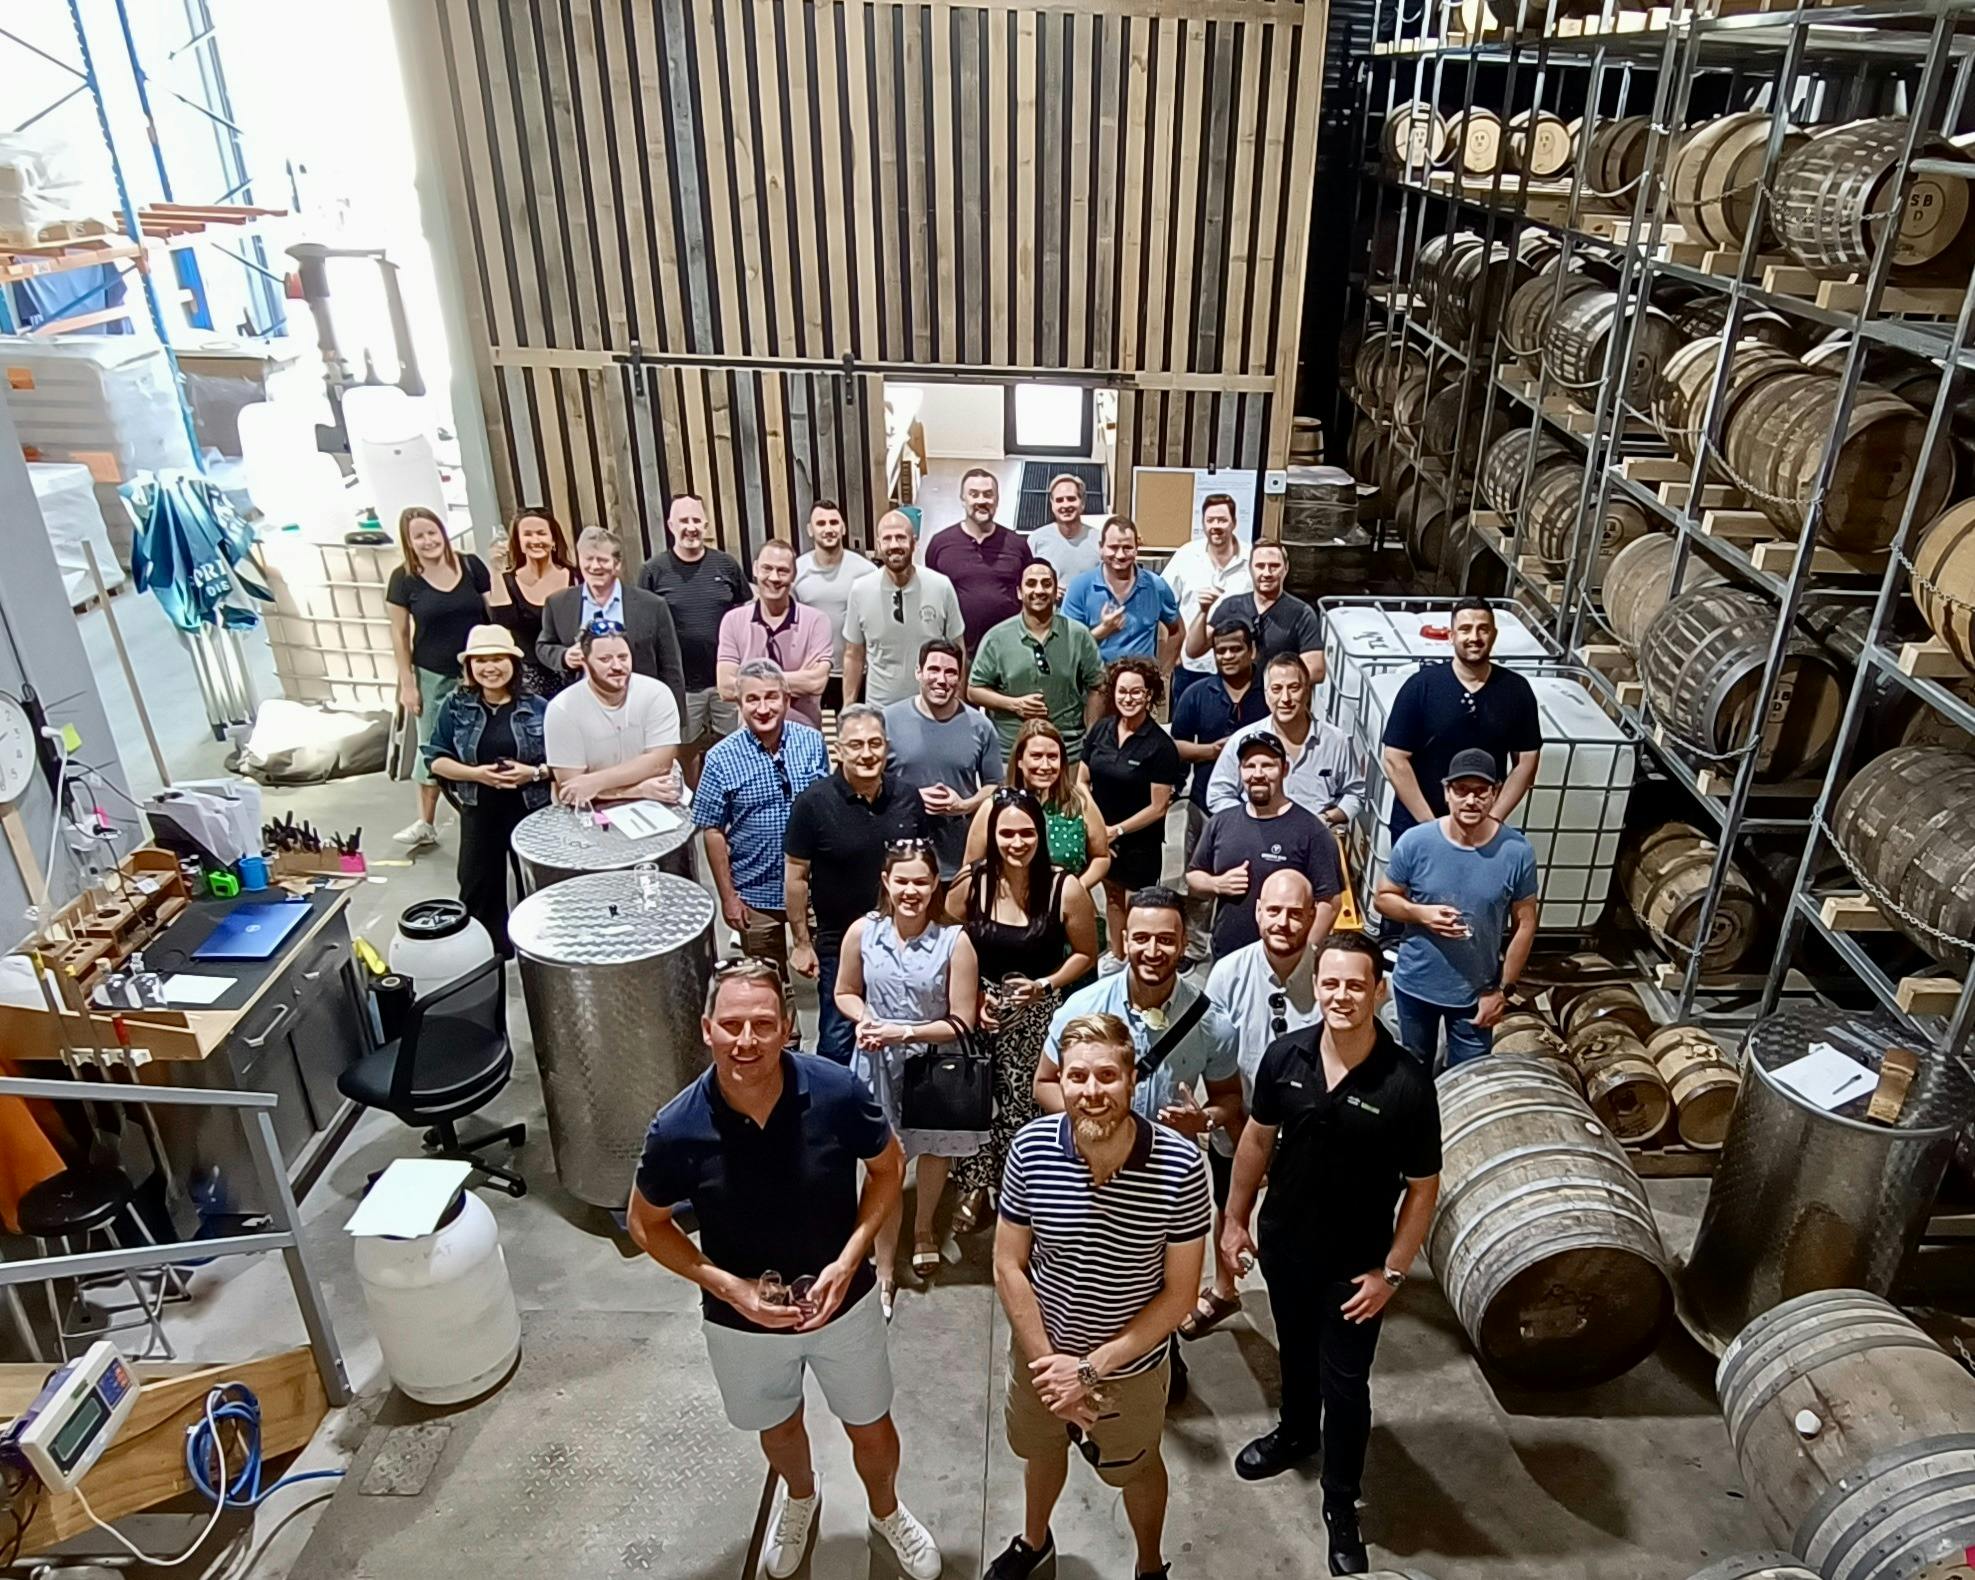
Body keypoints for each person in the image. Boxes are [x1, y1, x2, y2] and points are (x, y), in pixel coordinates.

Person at [628, 962, 942, 1580]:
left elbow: (887, 1170)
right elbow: (647, 1223)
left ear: (787, 1029)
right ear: (707, 1030)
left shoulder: (837, 1093)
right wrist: (728, 1287)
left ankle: (886, 1510)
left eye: (763, 1025)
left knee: (871, 1423)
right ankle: (801, 1497)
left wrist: (849, 1260)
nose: (747, 1041)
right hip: (740, 1323)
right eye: (733, 1025)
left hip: (842, 1304)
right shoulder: (677, 1127)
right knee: (777, 1424)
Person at [1220, 935, 1442, 1577]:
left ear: (1378, 991)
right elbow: (1257, 1142)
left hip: (1356, 1268)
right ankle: (1294, 1433)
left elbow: (1423, 1189)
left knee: (1345, 1388)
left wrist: (1392, 1274)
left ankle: (1341, 1504)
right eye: (1330, 983)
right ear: (1315, 986)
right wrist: (1234, 1222)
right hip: (1286, 1248)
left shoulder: (1405, 1082)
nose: (1341, 996)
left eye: (1355, 985)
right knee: (1294, 1352)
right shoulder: (1286, 1056)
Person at [987, 1012, 1210, 1580]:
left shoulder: (1182, 1166)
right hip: (1043, 1356)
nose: (1092, 1092)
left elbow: (1181, 1295)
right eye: (1077, 1077)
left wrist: (1086, 1371)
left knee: (1134, 1469)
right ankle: (1034, 1542)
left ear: (1132, 1079)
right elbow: (1010, 1265)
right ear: (1059, 1080)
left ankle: (1148, 1564)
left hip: (1127, 1367)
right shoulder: (1031, 1149)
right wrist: (1051, 1368)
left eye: (1106, 1076)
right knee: (1042, 1449)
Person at [1033, 890, 1241, 1398]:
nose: (1153, 950)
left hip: (1164, 1182)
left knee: (1163, 1278)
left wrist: (1205, 1120)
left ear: (1184, 945)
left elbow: (1231, 1101)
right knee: (1084, 1273)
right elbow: (1043, 1083)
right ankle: (1074, 1363)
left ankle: (1155, 1358)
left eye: (1166, 940)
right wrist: (1093, 1118)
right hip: (1089, 1168)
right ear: (1123, 941)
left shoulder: (1211, 1023)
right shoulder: (1082, 1008)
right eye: (1142, 938)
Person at [835, 843, 983, 1314]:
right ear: (886, 882)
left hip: (933, 1064)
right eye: (902, 881)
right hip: (876, 1064)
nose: (911, 891)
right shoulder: (863, 931)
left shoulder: (954, 941)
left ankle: (923, 1227)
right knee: (887, 1165)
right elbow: (844, 992)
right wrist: (865, 1019)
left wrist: (904, 1031)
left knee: (933, 1149)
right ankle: (881, 1270)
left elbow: (962, 1020)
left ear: (934, 883)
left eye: (921, 881)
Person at [945, 788, 1098, 1235]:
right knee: (975, 1099)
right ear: (991, 835)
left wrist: (1044, 986)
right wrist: (971, 999)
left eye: (1026, 833)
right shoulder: (971, 884)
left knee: (1024, 1104)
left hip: (1037, 1012)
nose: (1016, 842)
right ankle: (975, 1185)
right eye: (1006, 832)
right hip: (981, 1007)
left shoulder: (1063, 888)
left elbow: (1086, 953)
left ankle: (1023, 1188)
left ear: (1040, 835)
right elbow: (949, 942)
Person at [1188, 869, 1327, 1342]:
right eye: (1274, 911)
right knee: (1227, 1205)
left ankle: (1301, 1293)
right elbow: (1210, 1053)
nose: (1283, 923)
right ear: (1257, 912)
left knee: (1303, 1218)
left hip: (1308, 1131)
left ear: (1312, 916)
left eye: (1295, 914)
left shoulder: (1330, 976)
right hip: (1241, 1117)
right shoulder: (1228, 973)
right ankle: (1225, 1287)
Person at [784, 706, 938, 1065]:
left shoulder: (908, 798)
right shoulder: (812, 804)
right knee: (838, 1041)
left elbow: (925, 868)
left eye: (874, 743)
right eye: (855, 745)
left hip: (906, 941)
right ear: (838, 749)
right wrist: (802, 943)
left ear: (887, 747)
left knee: (906, 1033)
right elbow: (796, 877)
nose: (866, 754)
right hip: (840, 945)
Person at [1373, 748, 1539, 1067]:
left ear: (1496, 793)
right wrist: (1422, 914)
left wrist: (1502, 990)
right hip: (1415, 987)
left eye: (1480, 791)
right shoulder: (1416, 842)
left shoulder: (1516, 852)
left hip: (1477, 995)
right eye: (1461, 790)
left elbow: (1526, 924)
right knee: (1410, 1073)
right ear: (1447, 792)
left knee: (1470, 1076)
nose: (1470, 800)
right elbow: (1383, 898)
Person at [695, 660, 832, 973]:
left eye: (771, 697)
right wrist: (728, 897)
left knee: (830, 975)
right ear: (739, 705)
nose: (763, 708)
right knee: (766, 981)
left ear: (786, 699)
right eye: (752, 699)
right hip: (754, 892)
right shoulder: (720, 758)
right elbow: (712, 831)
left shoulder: (811, 742)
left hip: (813, 890)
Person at [423, 625, 551, 956]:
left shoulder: (539, 707)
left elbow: (563, 764)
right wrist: (477, 774)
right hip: (479, 809)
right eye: (480, 661)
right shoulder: (455, 706)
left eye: (497, 659)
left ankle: (540, 952)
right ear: (469, 667)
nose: (489, 668)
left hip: (530, 811)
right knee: (478, 888)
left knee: (538, 888)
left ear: (513, 663)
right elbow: (435, 758)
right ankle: (488, 956)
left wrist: (533, 773)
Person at [1380, 596, 1544, 840]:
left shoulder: (1516, 690)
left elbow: (1526, 762)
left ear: (1494, 634)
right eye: (1465, 629)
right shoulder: (1421, 687)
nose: (1474, 637)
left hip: (1482, 829)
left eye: (1483, 629)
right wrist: (1431, 827)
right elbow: (1395, 759)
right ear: (1451, 635)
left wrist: (1491, 822)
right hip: (1418, 827)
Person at [387, 505, 492, 850]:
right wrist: (408, 683)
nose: (428, 540)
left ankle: (485, 810)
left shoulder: (470, 566)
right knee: (431, 743)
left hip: (479, 669)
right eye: (419, 536)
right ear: (409, 542)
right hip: (433, 671)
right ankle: (426, 821)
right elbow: (400, 634)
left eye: (432, 532)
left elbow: (494, 612)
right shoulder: (403, 580)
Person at [1188, 732, 1342, 955]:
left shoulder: (1311, 830)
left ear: (1285, 769)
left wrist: (1305, 954)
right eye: (1249, 766)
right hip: (1226, 953)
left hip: (1285, 958)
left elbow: (1330, 902)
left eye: (1268, 766)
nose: (1257, 774)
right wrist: (1217, 884)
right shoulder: (1221, 822)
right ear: (1240, 771)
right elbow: (1193, 876)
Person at [1078, 661, 1186, 974]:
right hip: (1101, 832)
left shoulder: (1160, 746)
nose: (1128, 698)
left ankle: (1140, 958)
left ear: (1149, 695)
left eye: (1136, 692)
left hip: (1141, 841)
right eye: (1122, 691)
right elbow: (1082, 781)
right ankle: (1117, 953)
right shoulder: (1101, 729)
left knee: (1139, 903)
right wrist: (1098, 827)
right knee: (1111, 895)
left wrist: (1119, 831)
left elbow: (1159, 806)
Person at [639, 493, 752, 785]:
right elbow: (645, 625)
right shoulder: (653, 571)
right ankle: (690, 805)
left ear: (705, 524)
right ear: (670, 525)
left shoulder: (726, 565)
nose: (690, 527)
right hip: (681, 686)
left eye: (696, 520)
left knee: (736, 748)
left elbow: (745, 613)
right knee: (685, 751)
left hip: (725, 682)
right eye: (683, 521)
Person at [1170, 620, 1266, 962]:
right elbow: (1176, 745)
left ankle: (1248, 946)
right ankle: (1194, 946)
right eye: (1220, 650)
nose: (1226, 656)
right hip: (1204, 806)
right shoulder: (1198, 693)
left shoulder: (1269, 691)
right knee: (1199, 880)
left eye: (1235, 649)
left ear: (1252, 650)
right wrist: (1212, 751)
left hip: (1261, 812)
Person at [883, 639, 1004, 887]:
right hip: (900, 862)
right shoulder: (888, 720)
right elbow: (871, 783)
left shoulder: (980, 726)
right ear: (918, 672)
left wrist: (964, 805)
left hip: (957, 863)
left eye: (951, 672)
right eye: (934, 670)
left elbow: (995, 786)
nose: (941, 679)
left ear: (960, 678)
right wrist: (911, 798)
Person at [1205, 651, 1367, 827]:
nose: (1285, 698)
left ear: (1307, 691)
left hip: (1314, 836)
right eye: (1277, 689)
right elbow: (1218, 795)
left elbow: (1355, 793)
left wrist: (1327, 818)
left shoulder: (1337, 742)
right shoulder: (1242, 740)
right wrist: (1251, 820)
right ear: (1266, 695)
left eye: (1294, 688)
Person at [969, 560, 1105, 764]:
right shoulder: (997, 637)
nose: (1039, 590)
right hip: (1011, 754)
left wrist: (1091, 736)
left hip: (1067, 753)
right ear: (1019, 591)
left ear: (1055, 590)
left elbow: (1098, 686)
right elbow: (974, 690)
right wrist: (1015, 705)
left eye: (1046, 583)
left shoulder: (1078, 635)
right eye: (1031, 583)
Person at [537, 526, 687, 711]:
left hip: (640, 707)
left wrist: (676, 716)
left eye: (602, 560)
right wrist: (564, 656)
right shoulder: (558, 604)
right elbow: (543, 646)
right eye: (588, 559)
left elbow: (671, 666)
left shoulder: (652, 605)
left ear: (617, 564)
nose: (594, 566)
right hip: (582, 708)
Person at [964, 720, 1111, 906]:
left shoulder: (1079, 803)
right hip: (1008, 909)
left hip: (1067, 909)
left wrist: (1076, 887)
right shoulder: (993, 807)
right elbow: (971, 869)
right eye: (1036, 756)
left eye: (1052, 757)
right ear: (1019, 760)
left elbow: (1101, 857)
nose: (1045, 765)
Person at [542, 622, 684, 807]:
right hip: (591, 807)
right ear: (584, 662)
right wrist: (638, 790)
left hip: (659, 797)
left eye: (623, 657)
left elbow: (660, 762)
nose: (617, 666)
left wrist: (595, 782)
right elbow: (572, 788)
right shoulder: (562, 709)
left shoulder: (657, 693)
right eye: (605, 659)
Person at [844, 512, 966, 707]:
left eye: (901, 537)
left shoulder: (941, 586)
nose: (894, 545)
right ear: (878, 545)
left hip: (932, 707)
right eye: (887, 539)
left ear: (914, 542)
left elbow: (958, 649)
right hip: (881, 709)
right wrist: (848, 706)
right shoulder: (860, 590)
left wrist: (958, 704)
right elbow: (853, 654)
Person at [716, 539, 834, 728]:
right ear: (755, 569)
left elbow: (816, 683)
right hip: (750, 736)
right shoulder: (732, 621)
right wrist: (796, 679)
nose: (774, 577)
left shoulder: (817, 621)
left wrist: (748, 684)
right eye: (767, 568)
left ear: (794, 575)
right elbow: (725, 687)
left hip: (803, 734)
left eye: (782, 570)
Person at [924, 467, 1032, 650]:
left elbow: (1029, 592)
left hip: (1009, 649)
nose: (981, 500)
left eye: (988, 494)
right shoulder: (940, 544)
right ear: (963, 499)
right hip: (957, 649)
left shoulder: (1017, 544)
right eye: (974, 494)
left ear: (997, 500)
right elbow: (931, 595)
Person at [1160, 493, 1252, 706]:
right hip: (1191, 666)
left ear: (1234, 522)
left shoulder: (1251, 559)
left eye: (1222, 520)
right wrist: (1173, 653)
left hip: (1238, 667)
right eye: (1210, 520)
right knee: (1185, 731)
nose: (1216, 526)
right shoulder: (1186, 556)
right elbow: (1163, 604)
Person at [1194, 540, 1326, 683]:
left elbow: (1316, 670)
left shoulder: (1302, 613)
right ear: (1250, 568)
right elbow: (1195, 649)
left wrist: (1274, 686)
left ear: (1286, 568)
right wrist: (1203, 612)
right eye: (1260, 566)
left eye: (1274, 566)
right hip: (1234, 698)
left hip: (1277, 700)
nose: (1267, 573)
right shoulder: (1230, 606)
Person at [1060, 517, 1182, 669]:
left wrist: (1163, 672)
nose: (1120, 555)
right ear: (1101, 547)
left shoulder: (1156, 586)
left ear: (1137, 548)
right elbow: (1066, 647)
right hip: (1094, 686)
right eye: (1113, 547)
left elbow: (1176, 631)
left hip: (1140, 688)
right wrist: (1102, 631)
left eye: (1127, 547)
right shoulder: (1080, 587)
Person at [793, 498, 878, 714]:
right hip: (812, 673)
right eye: (821, 524)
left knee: (853, 736)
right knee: (812, 738)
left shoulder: (867, 572)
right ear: (810, 530)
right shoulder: (796, 571)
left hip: (859, 674)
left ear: (843, 527)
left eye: (833, 522)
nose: (828, 529)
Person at [485, 506, 575, 697]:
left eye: (541, 533)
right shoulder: (507, 581)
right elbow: (503, 623)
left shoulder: (576, 577)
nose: (535, 540)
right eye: (527, 534)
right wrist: (496, 570)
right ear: (518, 541)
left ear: (553, 540)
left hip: (571, 669)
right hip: (528, 679)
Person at [1023, 473, 1102, 590]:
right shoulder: (1036, 539)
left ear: (1083, 502)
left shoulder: (1099, 539)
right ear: (1052, 504)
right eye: (1059, 500)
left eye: (1071, 499)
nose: (1065, 505)